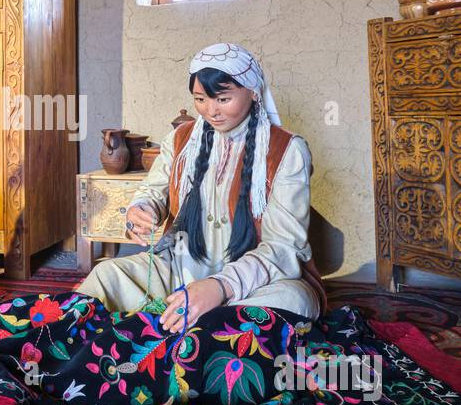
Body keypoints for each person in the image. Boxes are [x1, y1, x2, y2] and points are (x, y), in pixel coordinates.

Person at [77, 42, 326, 333]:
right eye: (200, 99)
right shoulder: (181, 140)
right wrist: (141, 210)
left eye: (222, 99)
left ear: (253, 90)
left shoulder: (287, 150)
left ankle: (190, 333)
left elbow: (283, 249)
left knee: (292, 300)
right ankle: (197, 331)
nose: (211, 111)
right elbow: (152, 190)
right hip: (181, 271)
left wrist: (220, 287)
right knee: (106, 275)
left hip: (256, 284)